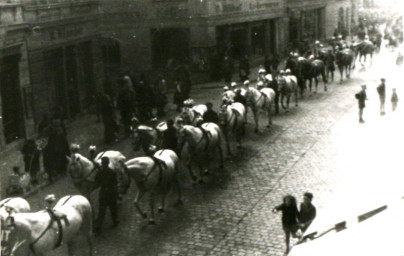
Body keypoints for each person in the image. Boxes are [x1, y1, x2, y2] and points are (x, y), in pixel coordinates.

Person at [94, 157, 119, 234]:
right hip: (111, 192)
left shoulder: (99, 172)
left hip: (103, 193)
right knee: (113, 208)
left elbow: (96, 180)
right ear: (108, 163)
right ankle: (115, 221)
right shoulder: (112, 172)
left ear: (102, 163)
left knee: (101, 211)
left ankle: (98, 227)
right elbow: (115, 183)